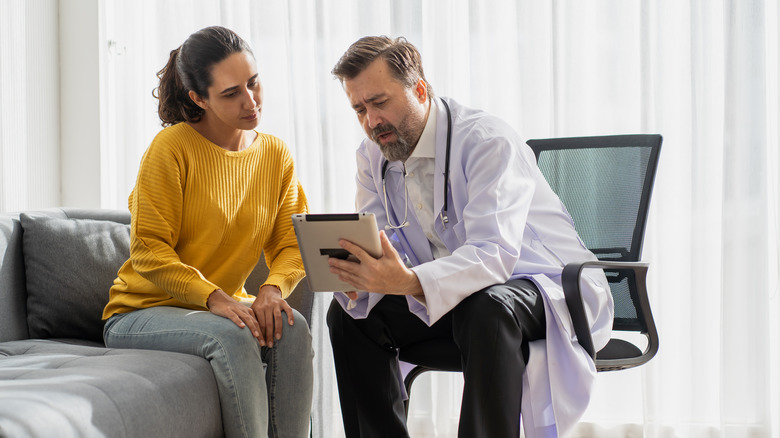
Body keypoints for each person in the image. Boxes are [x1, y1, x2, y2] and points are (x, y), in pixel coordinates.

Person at [326, 36, 614, 438]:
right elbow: (380, 244)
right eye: (359, 109)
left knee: (488, 308)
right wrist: (364, 278)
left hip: (545, 287)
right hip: (460, 301)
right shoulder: (373, 154)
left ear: (420, 90)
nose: (372, 121)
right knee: (349, 317)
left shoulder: (486, 141)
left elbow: (494, 255)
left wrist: (407, 281)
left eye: (380, 102)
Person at [102, 26, 313, 438]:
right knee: (233, 336)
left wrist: (272, 289)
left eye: (253, 83)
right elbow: (149, 251)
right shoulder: (171, 149)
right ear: (199, 98)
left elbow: (291, 243)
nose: (250, 101)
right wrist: (213, 297)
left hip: (220, 308)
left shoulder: (274, 154)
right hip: (140, 313)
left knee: (292, 327)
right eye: (231, 93)